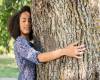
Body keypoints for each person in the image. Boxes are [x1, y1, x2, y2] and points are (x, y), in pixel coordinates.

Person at [8, 5, 86, 80]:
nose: (27, 23)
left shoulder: (30, 44)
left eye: (30, 20)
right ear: (18, 24)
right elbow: (38, 57)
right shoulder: (19, 42)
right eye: (23, 20)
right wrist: (64, 51)